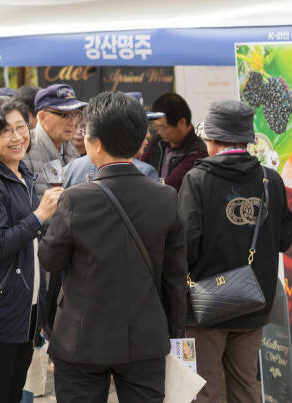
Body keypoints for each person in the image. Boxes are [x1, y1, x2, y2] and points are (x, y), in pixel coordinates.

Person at [39, 91, 187, 402]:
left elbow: (50, 258)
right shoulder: (165, 198)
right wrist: (173, 336)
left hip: (82, 338)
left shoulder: (75, 199)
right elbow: (175, 278)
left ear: (98, 144)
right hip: (145, 338)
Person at [178, 100, 292, 403]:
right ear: (247, 140)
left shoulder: (197, 179)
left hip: (206, 304)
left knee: (206, 389)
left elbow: (187, 246)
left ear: (212, 140)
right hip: (253, 301)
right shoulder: (272, 180)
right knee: (245, 386)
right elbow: (285, 239)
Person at [0, 97, 63, 403]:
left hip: (28, 306)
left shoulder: (23, 177)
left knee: (14, 391)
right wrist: (39, 217)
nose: (17, 136)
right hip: (2, 305)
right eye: (5, 130)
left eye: (22, 127)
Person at [22, 84, 85, 199]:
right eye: (65, 115)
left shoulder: (72, 150)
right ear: (42, 117)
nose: (73, 122)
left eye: (75, 114)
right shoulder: (24, 149)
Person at [141, 92, 207, 192]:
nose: (159, 132)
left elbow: (168, 187)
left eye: (163, 128)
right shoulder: (159, 141)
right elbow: (141, 168)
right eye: (157, 127)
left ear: (182, 122)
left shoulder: (197, 153)